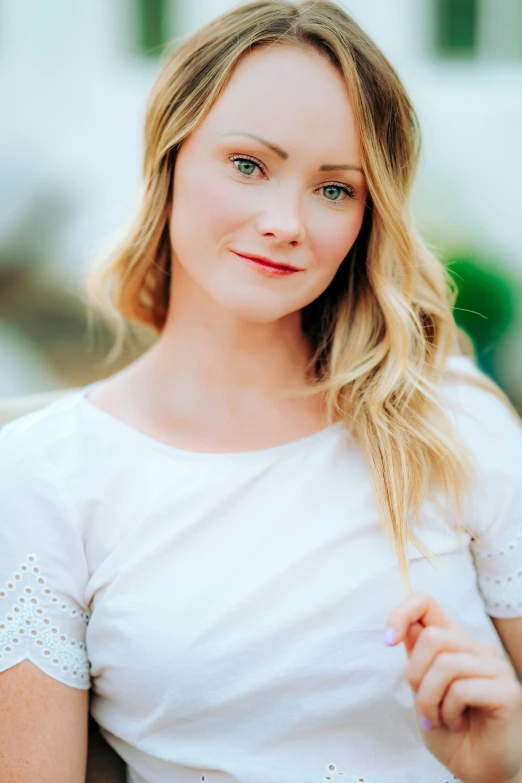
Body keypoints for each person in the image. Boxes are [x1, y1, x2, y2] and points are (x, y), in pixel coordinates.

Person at [1, 1, 521, 781]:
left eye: (336, 189)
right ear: (169, 158)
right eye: (249, 165)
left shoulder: (453, 419)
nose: (287, 221)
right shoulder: (42, 477)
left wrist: (504, 767)